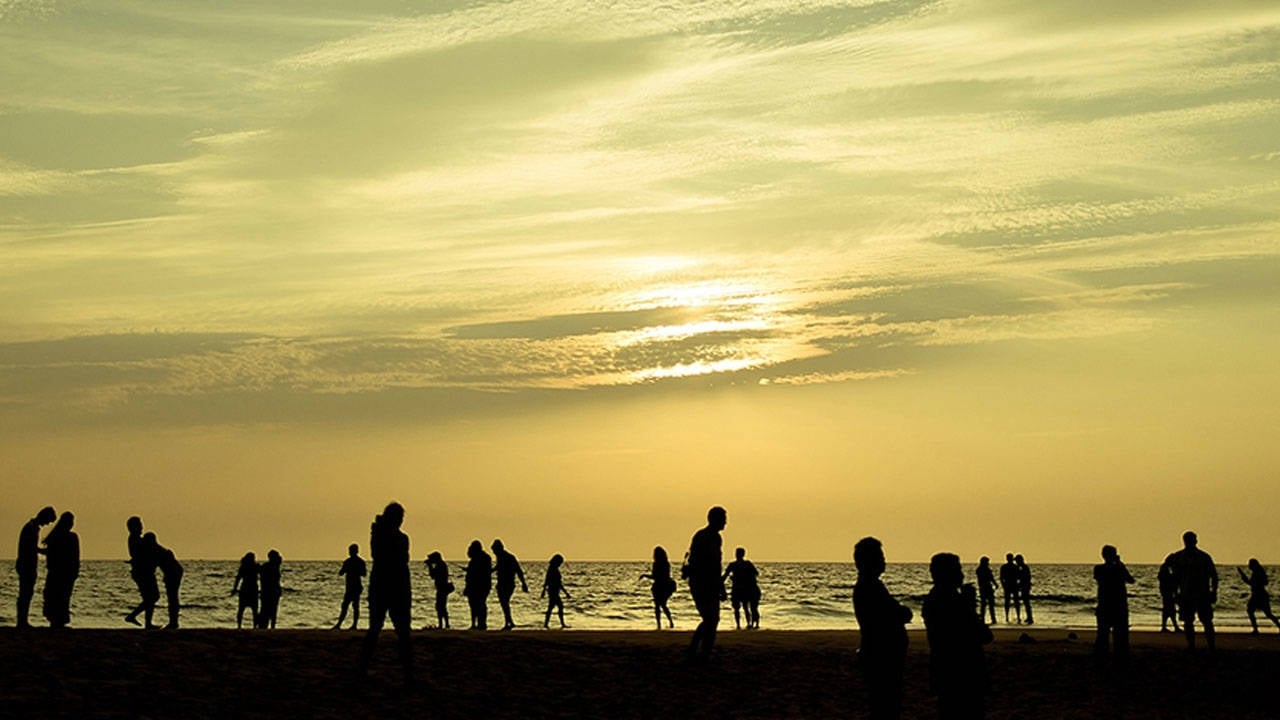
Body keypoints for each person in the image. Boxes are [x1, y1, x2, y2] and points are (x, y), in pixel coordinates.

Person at [922, 552, 991, 720]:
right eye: (957, 570)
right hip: (963, 669)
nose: (961, 574)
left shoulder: (932, 600)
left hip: (943, 667)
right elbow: (982, 635)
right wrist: (969, 606)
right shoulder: (954, 602)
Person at [853, 537, 913, 720]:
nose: (884, 561)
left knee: (884, 702)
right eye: (880, 557)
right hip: (881, 653)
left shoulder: (871, 586)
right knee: (885, 703)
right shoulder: (870, 587)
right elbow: (895, 614)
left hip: (881, 652)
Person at [358, 502, 413, 685]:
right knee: (397, 631)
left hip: (385, 585)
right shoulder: (393, 537)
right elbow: (399, 560)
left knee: (380, 629)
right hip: (392, 585)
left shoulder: (381, 534)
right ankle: (406, 674)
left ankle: (363, 669)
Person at [685, 506, 727, 662]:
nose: (726, 522)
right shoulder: (710, 537)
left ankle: (700, 650)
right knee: (711, 619)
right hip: (704, 582)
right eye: (723, 519)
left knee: (711, 618)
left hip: (701, 582)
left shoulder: (705, 536)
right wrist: (720, 586)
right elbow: (714, 565)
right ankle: (699, 650)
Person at [1166, 530, 1218, 652]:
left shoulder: (1203, 557)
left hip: (1201, 594)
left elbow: (1213, 576)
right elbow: (1175, 578)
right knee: (1190, 621)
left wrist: (1213, 591)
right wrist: (1175, 593)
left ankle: (1209, 646)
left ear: (1195, 541)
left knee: (1205, 621)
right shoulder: (1179, 557)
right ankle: (1193, 646)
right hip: (1187, 594)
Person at [15, 506, 56, 628]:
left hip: (27, 564)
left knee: (27, 592)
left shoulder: (32, 527)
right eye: (48, 521)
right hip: (26, 564)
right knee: (25, 593)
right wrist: (45, 552)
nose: (47, 524)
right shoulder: (31, 528)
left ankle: (22, 620)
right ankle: (21, 621)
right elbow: (30, 548)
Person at [1093, 545, 1135, 659]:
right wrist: (1120, 564)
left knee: (1103, 634)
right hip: (1118, 605)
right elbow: (1130, 579)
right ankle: (1118, 656)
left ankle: (1103, 656)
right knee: (1119, 635)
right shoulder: (1117, 569)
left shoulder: (1099, 569)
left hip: (1105, 604)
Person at [41, 511, 80, 629]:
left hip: (56, 571)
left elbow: (50, 552)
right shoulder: (71, 537)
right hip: (65, 572)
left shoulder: (55, 537)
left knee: (55, 595)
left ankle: (55, 620)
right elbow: (75, 556)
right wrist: (75, 571)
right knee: (62, 596)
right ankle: (59, 621)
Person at [124, 516, 159, 628]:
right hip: (142, 572)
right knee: (152, 597)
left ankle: (147, 622)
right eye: (139, 525)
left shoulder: (136, 539)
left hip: (144, 571)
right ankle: (134, 616)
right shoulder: (135, 539)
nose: (141, 527)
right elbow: (140, 554)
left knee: (151, 597)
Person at [491, 539, 528, 631]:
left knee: (504, 602)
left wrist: (523, 583)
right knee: (504, 603)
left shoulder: (509, 557)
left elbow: (518, 570)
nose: (494, 553)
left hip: (508, 583)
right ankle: (509, 621)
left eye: (495, 551)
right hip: (502, 583)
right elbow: (497, 568)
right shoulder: (500, 557)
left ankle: (509, 622)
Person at [1237, 559, 1280, 634]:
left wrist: (1243, 576)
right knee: (1265, 613)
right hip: (1259, 595)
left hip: (1259, 595)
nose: (1248, 566)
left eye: (1250, 564)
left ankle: (1256, 629)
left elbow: (1252, 583)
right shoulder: (1258, 572)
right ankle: (1257, 629)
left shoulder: (1257, 573)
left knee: (1254, 611)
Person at [723, 546, 760, 629]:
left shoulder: (740, 564)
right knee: (742, 607)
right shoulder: (736, 564)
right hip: (740, 588)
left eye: (738, 553)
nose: (737, 555)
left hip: (742, 588)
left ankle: (743, 624)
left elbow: (755, 573)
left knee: (744, 607)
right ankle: (743, 624)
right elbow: (756, 573)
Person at [151, 535, 184, 630]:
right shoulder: (161, 550)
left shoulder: (157, 551)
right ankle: (174, 622)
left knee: (172, 597)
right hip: (174, 572)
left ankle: (173, 622)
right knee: (173, 597)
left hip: (173, 573)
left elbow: (156, 565)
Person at [640, 546, 676, 629]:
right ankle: (670, 622)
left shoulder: (656, 564)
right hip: (667, 586)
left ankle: (659, 624)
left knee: (658, 606)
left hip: (660, 586)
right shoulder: (666, 564)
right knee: (663, 605)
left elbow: (655, 576)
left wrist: (645, 575)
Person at [334, 543, 366, 630]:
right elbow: (341, 572)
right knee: (346, 606)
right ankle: (340, 624)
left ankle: (353, 625)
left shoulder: (358, 562)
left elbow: (363, 573)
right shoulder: (349, 561)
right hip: (351, 587)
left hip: (355, 587)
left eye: (351, 551)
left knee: (353, 606)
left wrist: (353, 570)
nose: (350, 552)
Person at [463, 539, 492, 631]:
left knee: (477, 604)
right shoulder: (486, 557)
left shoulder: (479, 558)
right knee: (478, 604)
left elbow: (476, 572)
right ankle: (479, 624)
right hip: (483, 585)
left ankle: (478, 624)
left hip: (477, 585)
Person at [541, 554, 570, 628]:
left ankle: (547, 623)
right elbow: (547, 581)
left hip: (554, 591)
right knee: (558, 606)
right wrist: (543, 591)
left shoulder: (553, 569)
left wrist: (565, 592)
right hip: (553, 591)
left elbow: (558, 583)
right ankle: (561, 623)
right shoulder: (552, 569)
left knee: (552, 607)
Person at [425, 551, 453, 629]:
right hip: (442, 588)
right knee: (441, 606)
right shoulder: (441, 565)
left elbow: (433, 575)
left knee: (440, 606)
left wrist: (430, 566)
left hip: (442, 588)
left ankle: (443, 624)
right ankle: (444, 624)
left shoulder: (440, 565)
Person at [231, 552, 258, 629]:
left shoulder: (244, 567)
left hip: (246, 589)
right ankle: (253, 626)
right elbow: (238, 578)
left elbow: (238, 578)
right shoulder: (254, 567)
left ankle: (239, 626)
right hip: (251, 590)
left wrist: (235, 589)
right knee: (253, 610)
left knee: (242, 609)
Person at [258, 549, 283, 629]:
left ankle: (268, 625)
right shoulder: (273, 567)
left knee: (267, 609)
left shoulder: (267, 566)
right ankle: (269, 626)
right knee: (270, 610)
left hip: (268, 591)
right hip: (270, 591)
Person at [1158, 557, 1180, 633]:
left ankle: (1169, 626)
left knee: (1168, 610)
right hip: (1167, 592)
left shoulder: (1165, 568)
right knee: (1170, 610)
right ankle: (1171, 626)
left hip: (1166, 592)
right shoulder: (1165, 569)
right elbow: (1168, 580)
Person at [975, 557, 997, 625]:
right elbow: (991, 578)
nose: (988, 563)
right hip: (987, 587)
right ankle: (992, 619)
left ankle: (983, 619)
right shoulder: (985, 569)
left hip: (982, 588)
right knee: (990, 604)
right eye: (987, 562)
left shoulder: (978, 569)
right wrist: (995, 584)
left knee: (984, 604)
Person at [999, 553, 1020, 624]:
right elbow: (1001, 578)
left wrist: (1003, 585)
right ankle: (1010, 616)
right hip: (1011, 585)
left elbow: (1001, 578)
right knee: (1011, 602)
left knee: (1011, 602)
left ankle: (1014, 616)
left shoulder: (1006, 567)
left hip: (1011, 585)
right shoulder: (1013, 567)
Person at [1015, 554, 1033, 625]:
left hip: (1025, 586)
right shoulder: (1023, 567)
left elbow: (1023, 578)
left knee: (1026, 602)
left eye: (1017, 560)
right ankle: (1029, 617)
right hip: (1025, 586)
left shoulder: (1024, 568)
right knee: (1026, 602)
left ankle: (1030, 617)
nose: (1016, 562)